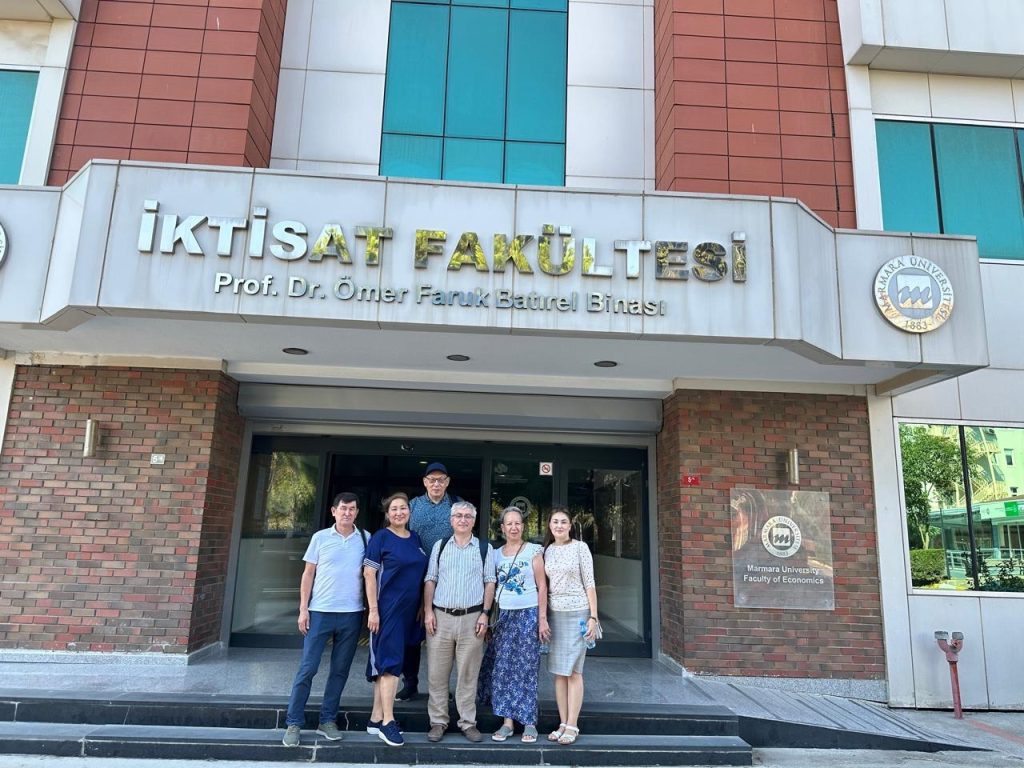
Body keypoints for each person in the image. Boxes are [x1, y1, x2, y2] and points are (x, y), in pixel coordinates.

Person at [281, 492, 368, 747]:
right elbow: (308, 574)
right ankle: (293, 723)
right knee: (308, 668)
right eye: (343, 508)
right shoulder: (320, 538)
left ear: (357, 512)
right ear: (333, 511)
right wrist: (303, 609)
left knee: (340, 671)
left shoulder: (365, 539)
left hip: (352, 614)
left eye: (352, 509)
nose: (347, 513)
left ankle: (327, 720)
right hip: (320, 612)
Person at [422, 500, 496, 743]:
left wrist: (485, 613)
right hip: (440, 617)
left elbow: (490, 583)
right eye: (458, 516)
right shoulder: (440, 546)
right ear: (451, 520)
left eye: (467, 516)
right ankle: (438, 722)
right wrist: (428, 612)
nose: (463, 520)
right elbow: (430, 579)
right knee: (437, 674)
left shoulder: (484, 548)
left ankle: (468, 722)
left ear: (473, 521)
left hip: (472, 619)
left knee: (468, 674)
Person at [477, 506, 549, 743]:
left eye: (517, 523)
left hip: (528, 614)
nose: (514, 527)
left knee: (527, 667)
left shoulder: (533, 551)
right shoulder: (496, 555)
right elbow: (491, 585)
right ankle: (507, 721)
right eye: (509, 523)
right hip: (503, 617)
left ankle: (528, 721)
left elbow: (542, 586)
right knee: (503, 668)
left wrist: (542, 619)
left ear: (523, 526)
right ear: (502, 528)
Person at [363, 492, 428, 747]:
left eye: (403, 508)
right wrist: (374, 610)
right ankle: (389, 722)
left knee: (390, 662)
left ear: (409, 512)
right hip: (387, 611)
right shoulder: (381, 538)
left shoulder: (415, 539)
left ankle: (375, 717)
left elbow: (421, 576)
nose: (399, 512)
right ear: (387, 514)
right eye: (394, 509)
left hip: (410, 613)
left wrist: (423, 605)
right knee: (390, 663)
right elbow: (369, 575)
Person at [399, 461, 459, 700]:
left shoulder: (456, 507)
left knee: (445, 635)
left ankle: (443, 687)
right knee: (412, 634)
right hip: (414, 578)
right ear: (424, 482)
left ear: (447, 482)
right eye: (431, 480)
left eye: (441, 480)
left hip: (447, 579)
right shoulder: (412, 506)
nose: (436, 484)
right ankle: (410, 682)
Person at [543, 506, 598, 746]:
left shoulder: (580, 548)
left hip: (578, 612)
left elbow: (590, 583)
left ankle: (573, 724)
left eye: (563, 522)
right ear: (549, 525)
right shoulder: (547, 551)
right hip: (555, 614)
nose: (559, 526)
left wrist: (593, 617)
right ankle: (563, 722)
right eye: (555, 521)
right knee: (559, 671)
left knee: (574, 670)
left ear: (570, 525)